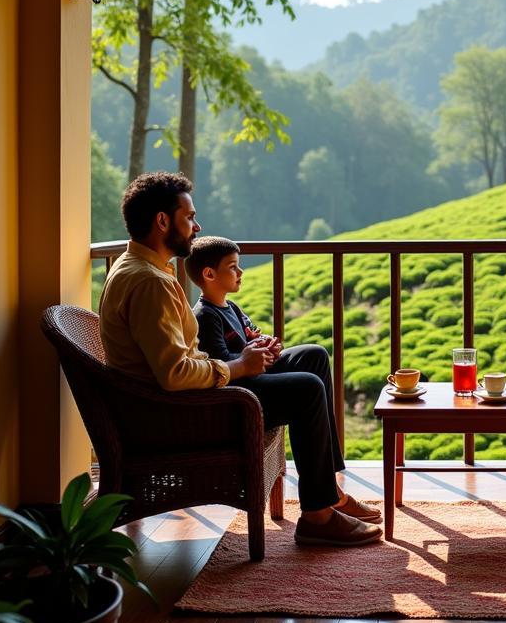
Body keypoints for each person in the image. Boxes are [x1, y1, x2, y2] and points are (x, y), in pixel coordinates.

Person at [98, 171, 382, 547]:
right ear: (163, 221)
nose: (196, 227)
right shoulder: (150, 282)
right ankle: (318, 515)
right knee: (306, 389)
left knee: (312, 358)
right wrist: (238, 367)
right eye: (189, 218)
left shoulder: (142, 269)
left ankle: (328, 492)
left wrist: (248, 359)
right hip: (182, 414)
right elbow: (175, 374)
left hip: (183, 399)